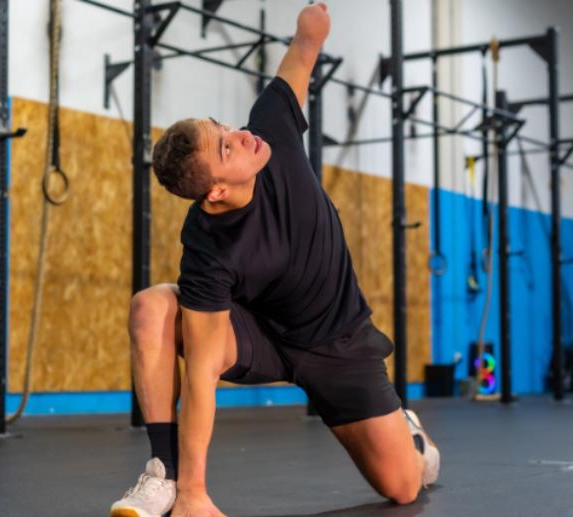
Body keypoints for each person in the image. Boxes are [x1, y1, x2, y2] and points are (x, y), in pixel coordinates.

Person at [110, 4, 439, 517]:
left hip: (340, 343)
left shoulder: (271, 129)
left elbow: (302, 53)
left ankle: (408, 432)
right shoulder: (206, 247)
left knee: (403, 488)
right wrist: (195, 491)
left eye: (223, 126)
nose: (240, 135)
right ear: (217, 191)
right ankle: (165, 476)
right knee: (151, 307)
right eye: (226, 147)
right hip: (264, 337)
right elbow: (201, 373)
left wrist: (312, 26)